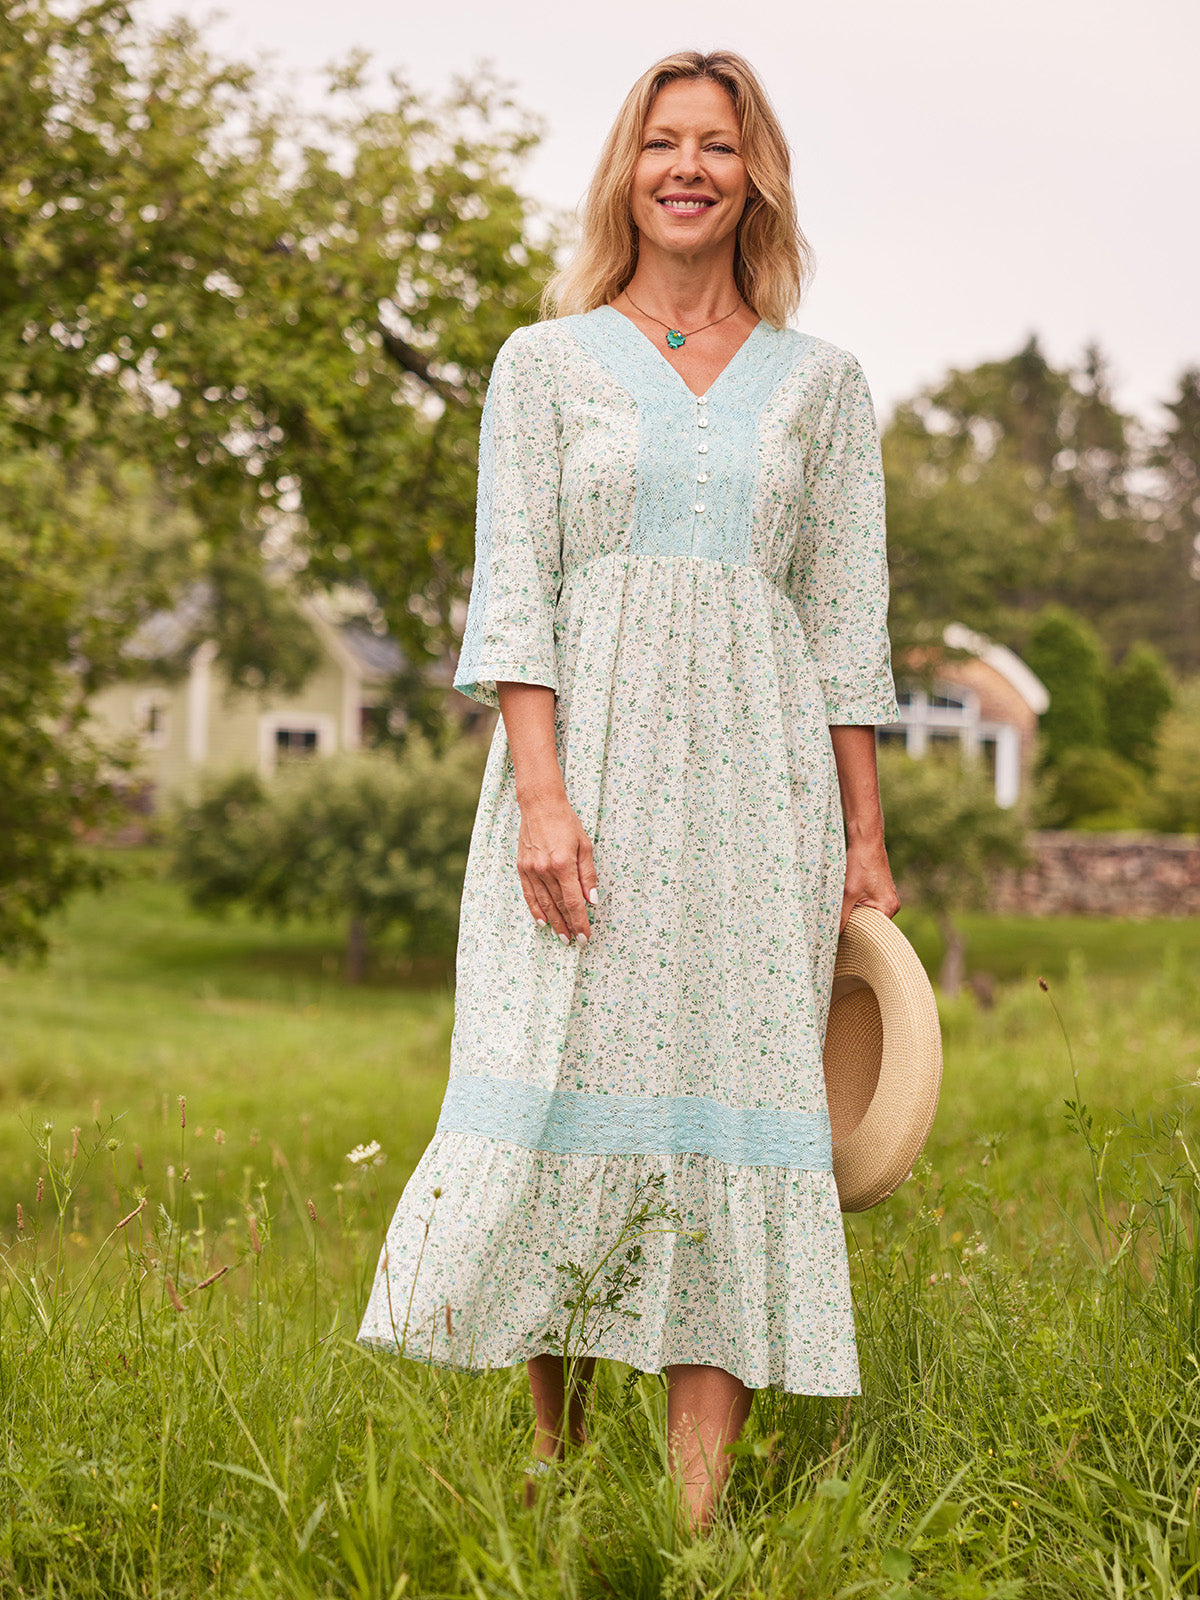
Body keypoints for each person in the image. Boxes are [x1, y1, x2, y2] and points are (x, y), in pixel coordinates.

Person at [357, 47, 902, 1531]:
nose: (688, 167)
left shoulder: (827, 388)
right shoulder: (542, 364)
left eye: (716, 146)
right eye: (662, 142)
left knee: (730, 1098)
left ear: (753, 176)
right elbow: (514, 598)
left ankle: (696, 1523)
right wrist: (543, 797)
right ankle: (554, 1464)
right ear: (628, 170)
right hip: (582, 775)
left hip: (759, 792)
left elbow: (849, 625)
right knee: (560, 1086)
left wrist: (864, 836)